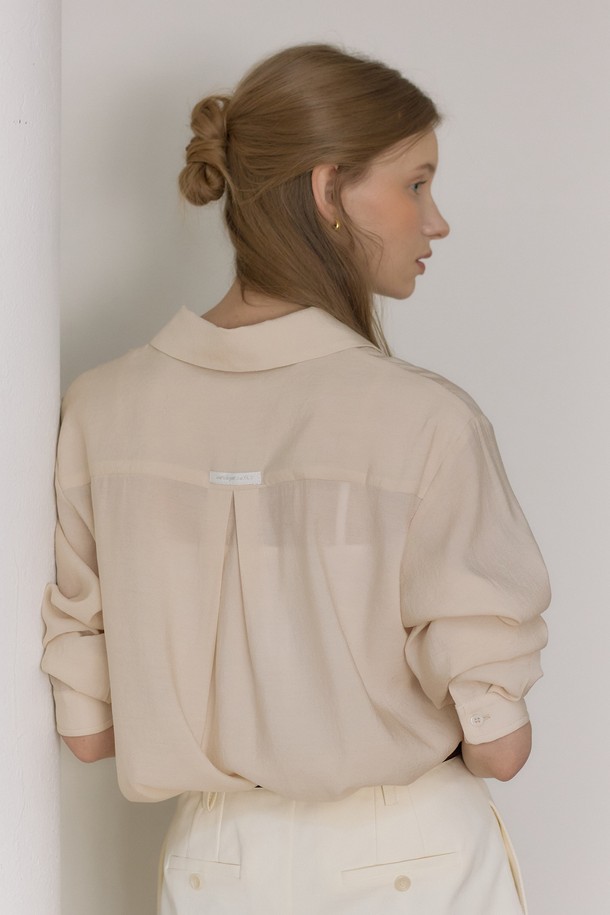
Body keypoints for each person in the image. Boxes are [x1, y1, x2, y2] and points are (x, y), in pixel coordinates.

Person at [40, 43, 550, 915]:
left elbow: (89, 732)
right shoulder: (425, 420)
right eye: (416, 183)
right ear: (327, 190)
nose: (436, 221)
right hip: (410, 860)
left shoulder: (99, 410)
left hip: (214, 865)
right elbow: (498, 747)